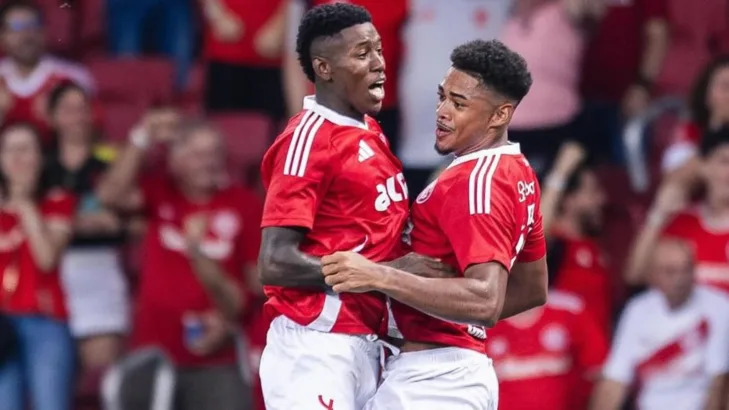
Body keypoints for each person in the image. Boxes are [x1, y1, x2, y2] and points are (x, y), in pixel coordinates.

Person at [321, 39, 548, 409]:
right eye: (442, 97)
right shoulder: (517, 172)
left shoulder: (476, 182)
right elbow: (532, 290)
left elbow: (486, 299)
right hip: (446, 372)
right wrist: (451, 318)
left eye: (459, 104)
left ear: (499, 115)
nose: (442, 112)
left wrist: (379, 275)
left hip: (436, 382)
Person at [257, 4, 447, 410]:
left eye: (378, 49)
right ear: (324, 68)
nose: (379, 63)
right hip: (316, 344)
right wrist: (385, 274)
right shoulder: (307, 140)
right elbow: (274, 262)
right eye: (362, 54)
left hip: (369, 341)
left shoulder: (370, 131)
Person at [97, 115, 261, 410]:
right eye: (198, 154)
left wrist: (228, 323)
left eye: (214, 153)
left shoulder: (245, 204)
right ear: (175, 160)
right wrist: (141, 137)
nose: (208, 162)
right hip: (154, 353)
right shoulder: (161, 193)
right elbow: (110, 195)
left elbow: (256, 283)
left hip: (217, 359)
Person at [43, 82, 129, 373]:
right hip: (47, 271)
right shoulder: (39, 164)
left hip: (99, 270)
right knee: (50, 377)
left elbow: (130, 218)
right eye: (68, 109)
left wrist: (57, 223)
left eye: (83, 108)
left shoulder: (111, 159)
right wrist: (87, 222)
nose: (77, 116)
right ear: (51, 116)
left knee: (101, 377)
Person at [591, 238, 729, 410]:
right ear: (653, 275)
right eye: (670, 272)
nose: (680, 279)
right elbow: (615, 380)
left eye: (686, 270)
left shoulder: (719, 306)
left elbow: (718, 382)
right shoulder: (638, 310)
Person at [0, 124, 76, 410]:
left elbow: (46, 258)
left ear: (41, 157)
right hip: (0, 325)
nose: (18, 157)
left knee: (50, 404)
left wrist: (24, 205)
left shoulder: (58, 201)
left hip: (45, 321)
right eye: (10, 150)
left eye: (26, 149)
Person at [0, 0, 94, 138]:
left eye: (32, 25)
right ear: (2, 35)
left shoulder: (72, 77)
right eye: (17, 27)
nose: (26, 35)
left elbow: (92, 133)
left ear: (44, 31)